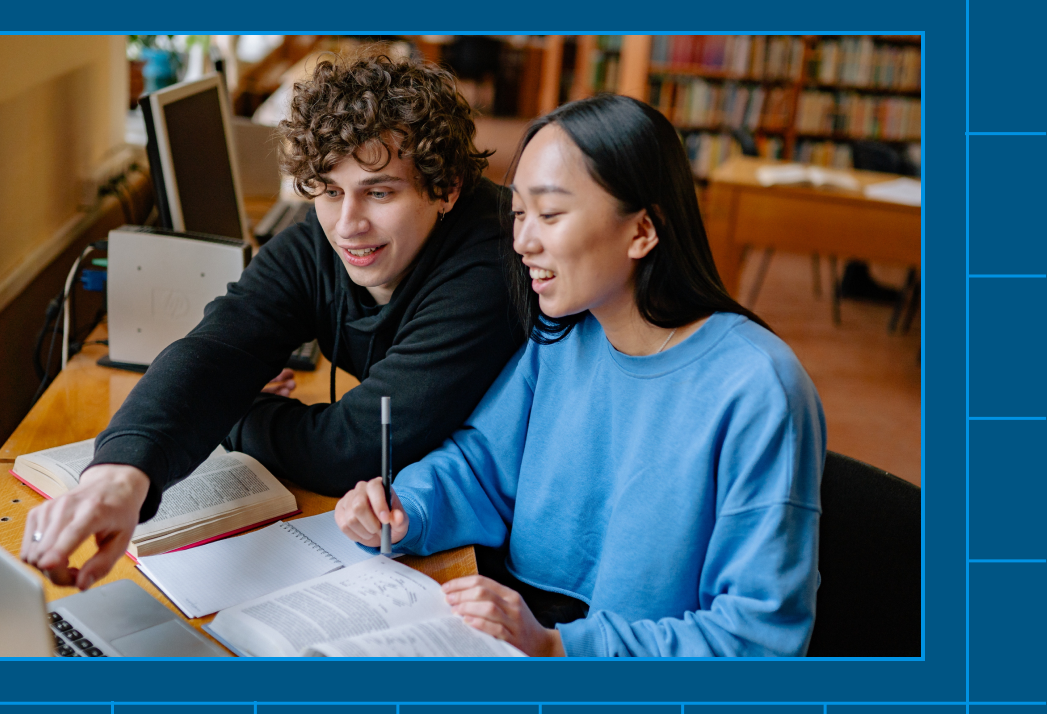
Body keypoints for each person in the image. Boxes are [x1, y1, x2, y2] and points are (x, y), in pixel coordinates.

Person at [336, 93, 825, 657]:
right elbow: (480, 466)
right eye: (518, 213)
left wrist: (557, 648)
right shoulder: (565, 335)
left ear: (642, 230)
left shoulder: (759, 388)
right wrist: (402, 510)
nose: (522, 241)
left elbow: (754, 640)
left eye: (550, 213)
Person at [21, 49, 527, 590]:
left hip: (498, 557)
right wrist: (120, 476)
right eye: (330, 191)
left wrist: (241, 409)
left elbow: (352, 449)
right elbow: (219, 347)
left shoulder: (493, 261)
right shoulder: (325, 236)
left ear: (445, 188)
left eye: (379, 192)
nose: (348, 225)